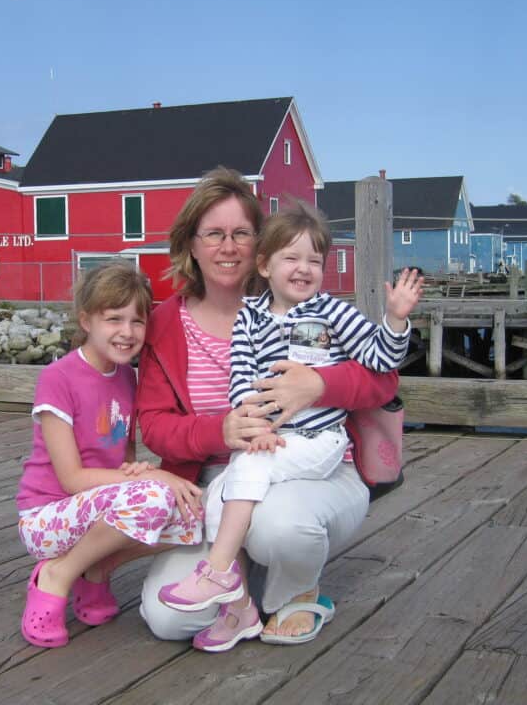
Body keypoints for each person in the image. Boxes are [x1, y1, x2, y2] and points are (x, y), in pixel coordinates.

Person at [137, 167, 400, 651]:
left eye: (241, 233)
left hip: (315, 470)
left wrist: (317, 385)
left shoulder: (309, 306)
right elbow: (153, 427)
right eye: (213, 234)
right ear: (191, 244)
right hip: (216, 482)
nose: (228, 247)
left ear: (262, 248)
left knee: (281, 526)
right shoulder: (163, 324)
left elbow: (384, 380)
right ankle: (240, 596)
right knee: (168, 620)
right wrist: (222, 431)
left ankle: (296, 593)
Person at [16, 262, 203, 648]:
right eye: (113, 319)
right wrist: (152, 476)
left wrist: (136, 471)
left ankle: (98, 567)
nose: (127, 332)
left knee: (194, 516)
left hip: (98, 508)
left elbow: (121, 455)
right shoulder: (58, 379)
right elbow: (70, 479)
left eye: (137, 321)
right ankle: (59, 574)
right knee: (155, 495)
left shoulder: (127, 377)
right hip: (47, 517)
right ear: (86, 320)